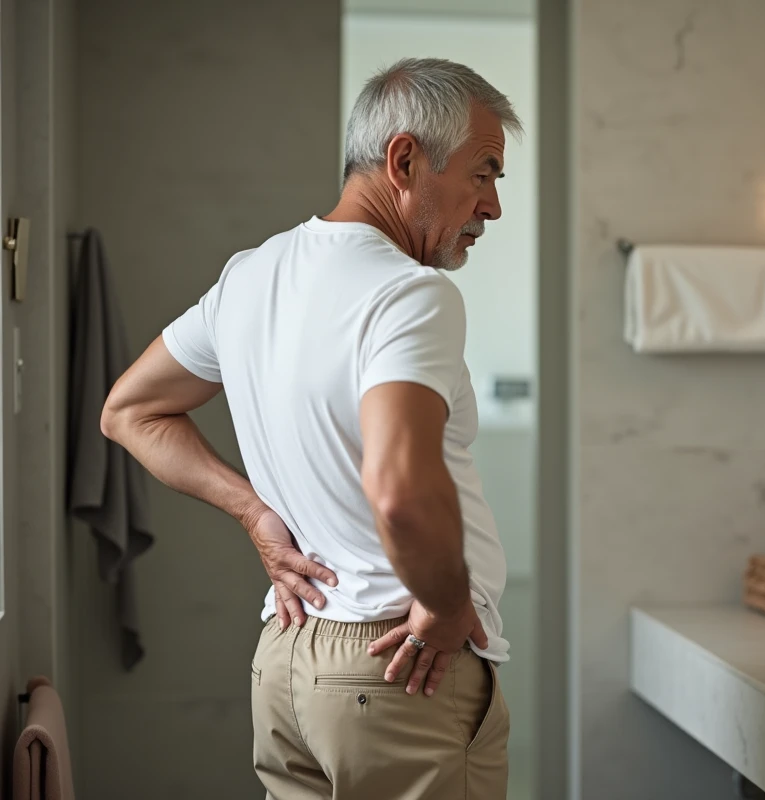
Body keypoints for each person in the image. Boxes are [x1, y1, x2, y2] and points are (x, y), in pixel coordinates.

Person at [100, 58, 522, 799]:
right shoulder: (409, 294)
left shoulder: (250, 275)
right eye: (483, 174)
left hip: (287, 664)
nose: (491, 207)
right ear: (404, 159)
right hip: (400, 670)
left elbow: (128, 410)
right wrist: (451, 606)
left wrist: (254, 513)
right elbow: (399, 493)